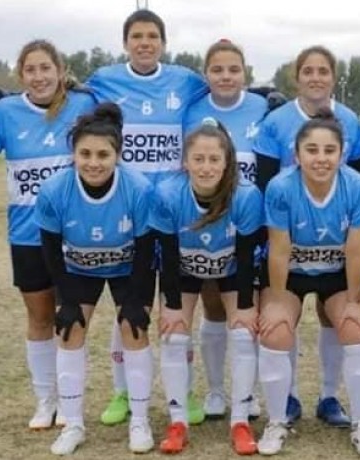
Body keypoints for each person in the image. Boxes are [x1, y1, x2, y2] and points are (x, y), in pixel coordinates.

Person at [86, 8, 208, 427]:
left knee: (178, 308)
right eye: (136, 36)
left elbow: (223, 86)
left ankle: (184, 391)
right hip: (127, 213)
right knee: (129, 306)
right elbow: (72, 95)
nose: (144, 43)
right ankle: (123, 391)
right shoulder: (104, 79)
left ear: (163, 42)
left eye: (152, 36)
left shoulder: (185, 80)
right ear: (125, 43)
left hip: (174, 214)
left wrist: (264, 92)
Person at [0, 39, 97, 430]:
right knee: (39, 318)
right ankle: (45, 400)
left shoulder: (84, 104)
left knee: (71, 319)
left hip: (73, 235)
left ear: (61, 71)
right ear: (20, 75)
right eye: (30, 69)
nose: (39, 76)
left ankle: (70, 400)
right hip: (27, 235)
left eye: (46, 68)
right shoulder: (6, 112)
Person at [253, 45, 360, 427]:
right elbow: (266, 180)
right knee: (278, 324)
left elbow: (356, 181)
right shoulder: (276, 124)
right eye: (308, 70)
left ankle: (329, 397)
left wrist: (355, 297)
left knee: (342, 320)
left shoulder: (350, 124)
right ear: (297, 76)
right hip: (290, 233)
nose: (316, 77)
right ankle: (285, 400)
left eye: (324, 70)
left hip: (333, 244)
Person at [36, 103, 156, 455]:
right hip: (78, 268)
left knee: (134, 329)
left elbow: (146, 250)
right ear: (73, 154)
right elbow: (50, 249)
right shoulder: (54, 190)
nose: (93, 162)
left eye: (103, 154)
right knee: (70, 330)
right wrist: (67, 299)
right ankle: (73, 424)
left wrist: (134, 300)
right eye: (85, 154)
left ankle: (140, 421)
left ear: (118, 155)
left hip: (129, 267)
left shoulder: (138, 188)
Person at [152, 119, 263, 455]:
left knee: (243, 332)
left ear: (227, 162)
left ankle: (240, 421)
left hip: (231, 269)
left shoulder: (246, 196)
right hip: (183, 270)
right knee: (174, 334)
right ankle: (178, 422)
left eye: (214, 159)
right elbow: (167, 254)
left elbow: (247, 255)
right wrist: (172, 306)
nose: (206, 167)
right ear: (185, 162)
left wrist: (246, 305)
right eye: (198, 159)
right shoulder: (168, 194)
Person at [182, 39, 268, 421]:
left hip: (248, 219)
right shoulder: (192, 110)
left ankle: (248, 393)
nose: (226, 76)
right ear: (206, 74)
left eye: (234, 69)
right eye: (217, 69)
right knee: (213, 306)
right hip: (204, 221)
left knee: (249, 308)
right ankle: (216, 390)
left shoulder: (262, 107)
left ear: (245, 73)